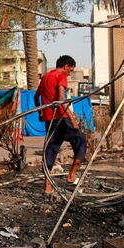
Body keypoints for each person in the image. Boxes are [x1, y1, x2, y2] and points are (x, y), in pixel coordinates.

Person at [34, 55, 87, 194]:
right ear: (66, 66)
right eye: (70, 70)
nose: (69, 73)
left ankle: (47, 187)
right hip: (61, 118)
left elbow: (36, 96)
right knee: (81, 141)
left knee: (51, 149)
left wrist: (41, 112)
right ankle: (72, 175)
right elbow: (61, 99)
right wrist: (73, 119)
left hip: (48, 119)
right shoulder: (60, 76)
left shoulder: (45, 77)